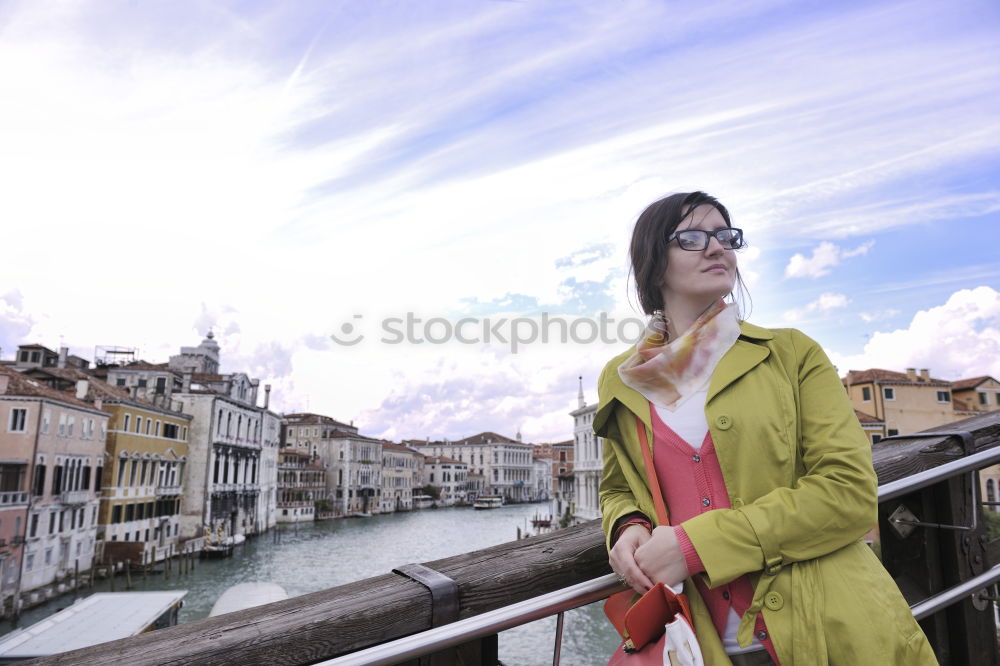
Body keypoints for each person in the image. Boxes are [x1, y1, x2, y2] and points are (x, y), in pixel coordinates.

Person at [594, 192, 937, 665]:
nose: (717, 248)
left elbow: (850, 493)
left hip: (834, 629)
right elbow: (618, 487)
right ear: (653, 265)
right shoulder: (622, 378)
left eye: (725, 236)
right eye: (692, 238)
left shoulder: (793, 354)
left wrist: (696, 547)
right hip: (699, 641)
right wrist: (627, 525)